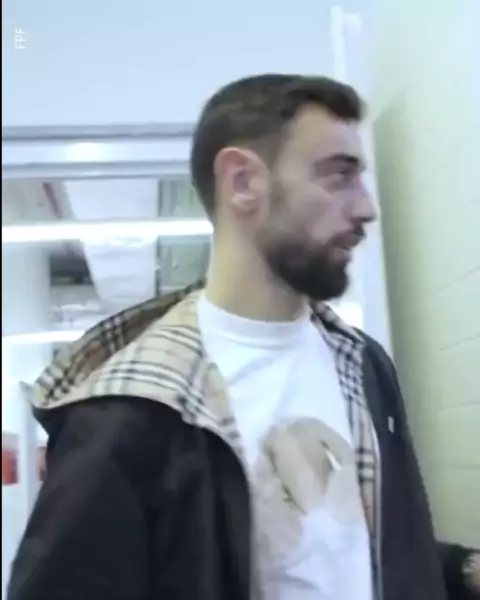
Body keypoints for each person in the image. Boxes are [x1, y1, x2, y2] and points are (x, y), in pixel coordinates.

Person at [7, 74, 479, 600]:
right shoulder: (130, 413)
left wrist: (463, 569)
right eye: (339, 175)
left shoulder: (363, 364)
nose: (366, 207)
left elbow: (357, 554)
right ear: (243, 181)